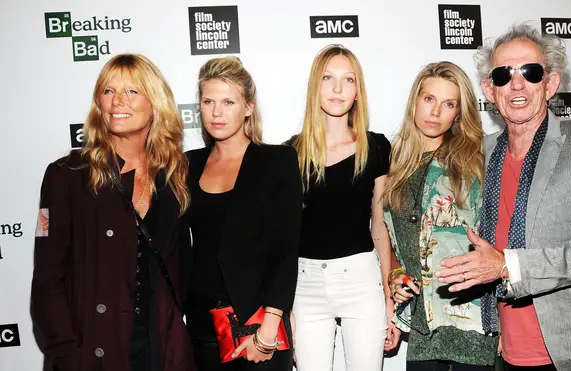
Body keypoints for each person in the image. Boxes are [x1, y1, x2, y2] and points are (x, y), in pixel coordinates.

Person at [435, 24, 571, 371]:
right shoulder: (482, 153)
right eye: (502, 74)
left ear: (551, 83)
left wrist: (506, 265)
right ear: (489, 90)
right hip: (507, 351)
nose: (516, 83)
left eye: (530, 71)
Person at [31, 54, 195, 371]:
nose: (117, 101)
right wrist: (67, 356)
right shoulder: (69, 175)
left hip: (161, 349)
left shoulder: (175, 176)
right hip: (94, 351)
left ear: (155, 103)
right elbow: (48, 280)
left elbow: (182, 266)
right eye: (108, 91)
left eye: (132, 91)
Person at [183, 56, 302, 371]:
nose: (217, 112)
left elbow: (285, 250)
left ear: (248, 107)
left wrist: (269, 328)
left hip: (258, 327)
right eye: (208, 101)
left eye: (228, 101)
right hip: (202, 328)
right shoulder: (186, 164)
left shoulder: (277, 161)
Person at [384, 61, 497, 371]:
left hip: (471, 317)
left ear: (458, 113)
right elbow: (392, 240)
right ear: (415, 101)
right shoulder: (396, 162)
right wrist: (395, 275)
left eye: (448, 104)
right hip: (423, 318)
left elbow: (497, 236)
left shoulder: (477, 160)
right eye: (429, 99)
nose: (435, 113)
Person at [287, 44, 392, 371]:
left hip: (362, 280)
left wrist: (390, 297)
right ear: (314, 86)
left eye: (348, 80)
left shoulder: (376, 147)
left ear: (358, 91)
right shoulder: (290, 153)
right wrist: (283, 305)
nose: (337, 88)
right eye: (328, 78)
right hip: (305, 287)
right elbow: (284, 238)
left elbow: (380, 225)